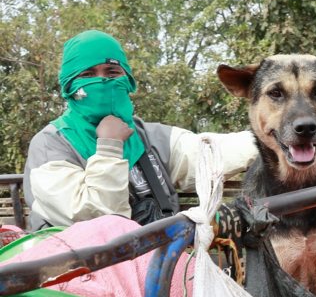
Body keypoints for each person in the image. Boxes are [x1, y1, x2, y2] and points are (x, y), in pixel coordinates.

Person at [23, 30, 257, 230]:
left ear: (128, 81)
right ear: (69, 87)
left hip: (156, 258)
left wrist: (268, 138)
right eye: (87, 75)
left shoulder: (147, 136)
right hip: (83, 266)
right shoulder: (51, 145)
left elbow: (209, 153)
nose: (102, 81)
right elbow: (97, 221)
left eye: (112, 72)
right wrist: (109, 146)